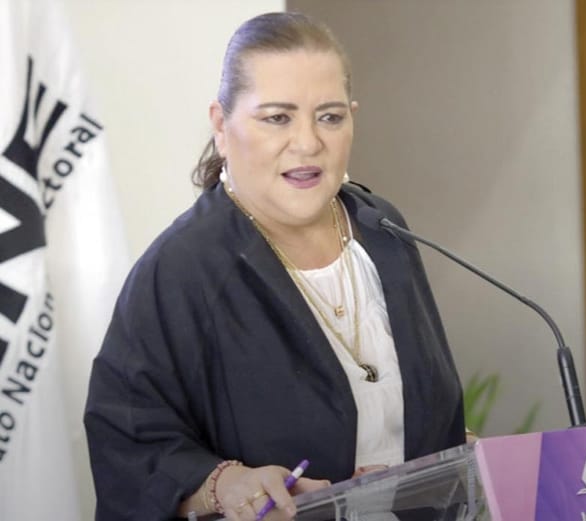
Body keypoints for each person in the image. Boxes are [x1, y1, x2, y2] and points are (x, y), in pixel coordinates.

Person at [84, 11, 465, 521]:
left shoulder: (382, 230)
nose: (308, 143)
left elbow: (427, 405)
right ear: (222, 125)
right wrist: (225, 484)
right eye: (278, 118)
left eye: (329, 117)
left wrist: (451, 448)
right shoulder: (180, 269)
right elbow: (128, 450)